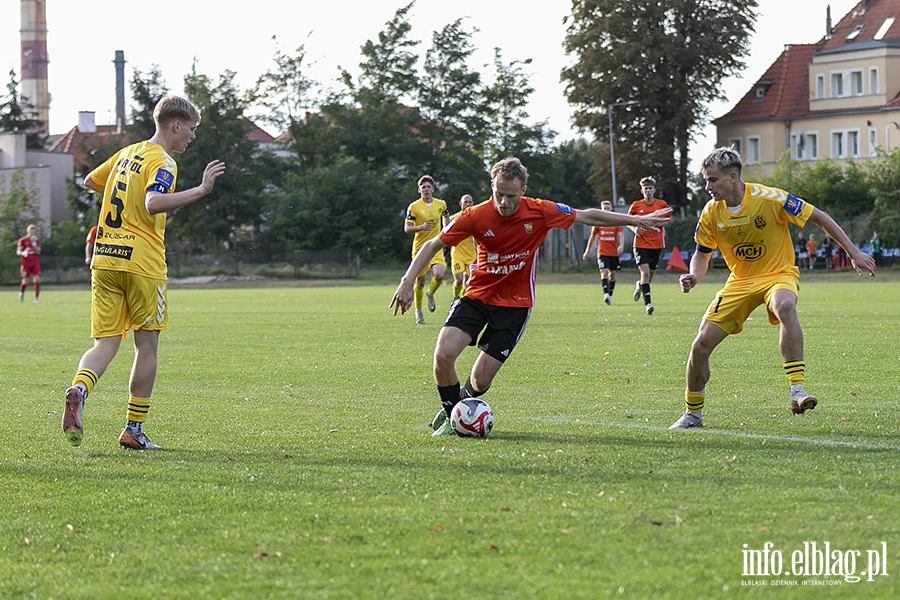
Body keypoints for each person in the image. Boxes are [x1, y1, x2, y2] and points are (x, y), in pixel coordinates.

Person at [390, 157, 672, 436]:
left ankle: (464, 404)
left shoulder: (540, 211)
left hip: (515, 305)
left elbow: (587, 215)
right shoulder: (474, 215)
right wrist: (406, 281)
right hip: (477, 296)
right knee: (443, 354)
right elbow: (432, 245)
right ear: (492, 186)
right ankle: (454, 414)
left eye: (510, 195)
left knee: (480, 378)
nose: (503, 201)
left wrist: (635, 220)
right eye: (498, 194)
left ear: (523, 190)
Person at [669, 147, 875, 430]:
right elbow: (702, 253)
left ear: (732, 177)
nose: (708, 187)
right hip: (739, 282)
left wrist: (852, 251)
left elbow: (820, 216)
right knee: (700, 345)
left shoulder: (770, 198)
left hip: (778, 273)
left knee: (785, 305)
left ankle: (796, 391)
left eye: (713, 180)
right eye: (707, 180)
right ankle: (693, 414)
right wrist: (694, 275)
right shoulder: (710, 212)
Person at [62, 95, 226, 450]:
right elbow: (153, 203)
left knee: (104, 344)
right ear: (176, 125)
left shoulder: (126, 154)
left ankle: (78, 388)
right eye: (192, 129)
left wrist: (126, 192)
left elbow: (91, 180)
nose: (192, 137)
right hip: (142, 264)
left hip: (105, 257)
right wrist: (200, 190)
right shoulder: (163, 161)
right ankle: (133, 430)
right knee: (146, 346)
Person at [404, 175, 448, 324]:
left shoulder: (440, 204)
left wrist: (447, 230)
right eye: (424, 187)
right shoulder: (414, 207)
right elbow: (407, 228)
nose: (426, 189)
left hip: (436, 246)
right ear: (419, 190)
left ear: (433, 189)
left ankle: (431, 293)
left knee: (440, 274)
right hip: (420, 249)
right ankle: (419, 311)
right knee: (420, 282)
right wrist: (421, 227)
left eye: (429, 187)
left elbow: (445, 215)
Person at [628, 177, 668, 315]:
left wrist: (656, 223)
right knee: (644, 273)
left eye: (650, 188)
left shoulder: (662, 204)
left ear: (654, 190)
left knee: (648, 278)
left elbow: (669, 221)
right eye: (646, 188)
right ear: (642, 191)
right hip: (640, 244)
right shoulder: (636, 205)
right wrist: (634, 229)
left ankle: (640, 285)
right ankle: (648, 305)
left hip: (656, 244)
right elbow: (628, 221)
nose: (648, 191)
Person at [581, 200, 624, 305]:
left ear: (611, 209)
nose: (606, 210)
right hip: (602, 252)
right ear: (601, 210)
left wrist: (621, 246)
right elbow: (592, 238)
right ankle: (606, 294)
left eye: (608, 208)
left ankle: (609, 295)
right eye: (604, 208)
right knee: (603, 271)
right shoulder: (598, 223)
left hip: (613, 253)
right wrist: (587, 251)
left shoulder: (615, 222)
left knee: (612, 275)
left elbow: (621, 235)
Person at [449, 194, 477, 299]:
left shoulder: (476, 219)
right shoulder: (454, 219)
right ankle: (456, 298)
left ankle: (464, 301)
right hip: (458, 255)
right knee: (459, 280)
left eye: (470, 202)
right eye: (466, 202)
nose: (468, 204)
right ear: (461, 204)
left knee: (469, 283)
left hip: (471, 255)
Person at [16, 224, 41, 303]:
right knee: (25, 281)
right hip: (25, 262)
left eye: (33, 232)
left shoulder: (36, 240)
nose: (32, 233)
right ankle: (21, 294)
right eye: (30, 232)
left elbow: (39, 251)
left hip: (34, 261)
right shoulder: (22, 240)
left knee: (36, 278)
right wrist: (23, 253)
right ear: (27, 231)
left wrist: (34, 246)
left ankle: (36, 298)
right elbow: (18, 251)